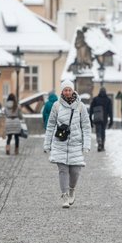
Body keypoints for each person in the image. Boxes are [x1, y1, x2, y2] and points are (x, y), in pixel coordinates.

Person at [43, 78, 91, 208]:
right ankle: (64, 195)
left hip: (76, 143)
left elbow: (86, 126)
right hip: (60, 143)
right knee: (63, 170)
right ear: (62, 91)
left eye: (69, 89)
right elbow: (50, 125)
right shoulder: (56, 106)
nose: (68, 92)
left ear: (73, 90)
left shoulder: (81, 106)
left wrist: (86, 144)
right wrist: (47, 144)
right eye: (65, 90)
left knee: (75, 171)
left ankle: (72, 189)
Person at [89, 87, 114, 151]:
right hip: (104, 118)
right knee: (103, 131)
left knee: (98, 131)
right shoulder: (108, 100)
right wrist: (111, 121)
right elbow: (110, 111)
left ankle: (99, 140)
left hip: (97, 118)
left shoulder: (95, 99)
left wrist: (90, 120)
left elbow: (91, 110)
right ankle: (102, 145)